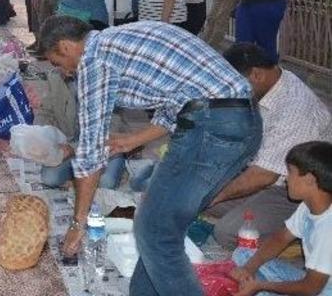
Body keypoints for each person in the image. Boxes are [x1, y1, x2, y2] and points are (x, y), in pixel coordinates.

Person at [40, 16, 260, 295]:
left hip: (214, 125)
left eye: (58, 64)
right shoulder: (119, 39)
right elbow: (176, 101)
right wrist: (133, 140)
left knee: (155, 231)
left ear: (66, 46)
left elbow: (90, 152)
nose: (65, 73)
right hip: (241, 120)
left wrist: (77, 223)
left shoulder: (94, 60)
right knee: (157, 224)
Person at [206, 43, 331, 248]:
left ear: (256, 75)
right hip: (268, 175)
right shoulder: (274, 83)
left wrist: (215, 195)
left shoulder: (295, 110)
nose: (232, 91)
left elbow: (264, 176)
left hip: (296, 191)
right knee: (192, 197)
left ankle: (293, 235)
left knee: (228, 232)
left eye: (236, 84)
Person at [230, 141, 332, 296]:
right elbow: (281, 237)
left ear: (310, 179)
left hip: (320, 289)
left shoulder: (327, 227)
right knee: (243, 254)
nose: (286, 178)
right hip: (312, 280)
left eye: (290, 172)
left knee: (257, 291)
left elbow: (311, 288)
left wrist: (261, 286)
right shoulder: (308, 205)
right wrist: (249, 268)